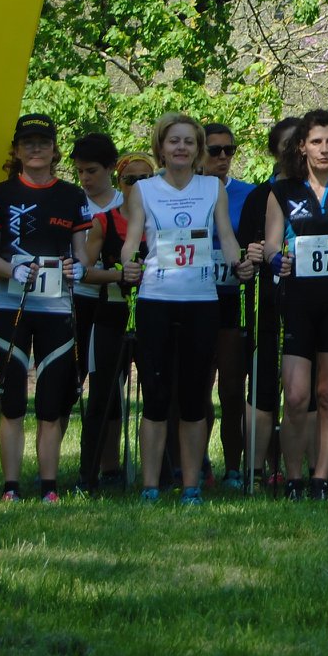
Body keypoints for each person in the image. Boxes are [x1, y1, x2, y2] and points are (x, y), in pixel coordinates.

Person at [121, 113, 257, 505]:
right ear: (160, 147)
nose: (180, 148)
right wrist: (126, 265)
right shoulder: (144, 190)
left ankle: (192, 486)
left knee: (197, 395)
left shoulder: (212, 187)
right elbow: (132, 241)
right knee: (158, 396)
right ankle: (150, 486)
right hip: (155, 301)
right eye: (173, 141)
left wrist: (241, 264)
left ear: (198, 150)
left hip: (202, 301)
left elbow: (227, 239)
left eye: (188, 142)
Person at [0, 114, 92, 502]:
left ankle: (49, 487)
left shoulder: (72, 196)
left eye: (43, 141)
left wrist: (77, 268)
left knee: (50, 401)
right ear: (16, 150)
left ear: (54, 148)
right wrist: (16, 270)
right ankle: (11, 487)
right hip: (11, 305)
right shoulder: (2, 192)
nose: (36, 148)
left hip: (56, 308)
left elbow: (82, 259)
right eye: (28, 142)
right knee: (12, 400)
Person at [264, 109, 328, 500]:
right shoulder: (283, 191)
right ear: (302, 147)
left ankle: (321, 478)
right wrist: (276, 258)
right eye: (316, 142)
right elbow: (272, 243)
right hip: (297, 298)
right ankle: (293, 477)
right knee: (295, 396)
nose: (323, 149)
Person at [234, 118, 297, 490]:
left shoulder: (319, 192)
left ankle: (293, 471)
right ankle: (254, 470)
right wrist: (253, 252)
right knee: (261, 386)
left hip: (308, 304)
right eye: (286, 144)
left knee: (300, 391)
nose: (293, 151)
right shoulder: (261, 195)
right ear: (274, 150)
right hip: (268, 303)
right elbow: (242, 249)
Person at [71, 133, 133, 494]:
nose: (85, 179)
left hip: (116, 304)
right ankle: (67, 470)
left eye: (92, 171)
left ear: (112, 168)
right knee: (71, 384)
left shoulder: (128, 203)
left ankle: (110, 466)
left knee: (111, 389)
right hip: (76, 300)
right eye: (79, 171)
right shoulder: (71, 203)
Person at [203, 122, 256, 490]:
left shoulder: (248, 194)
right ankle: (197, 463)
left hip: (231, 301)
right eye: (214, 150)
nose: (223, 157)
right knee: (195, 387)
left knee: (232, 390)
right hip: (191, 298)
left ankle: (234, 467)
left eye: (229, 150)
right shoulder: (184, 191)